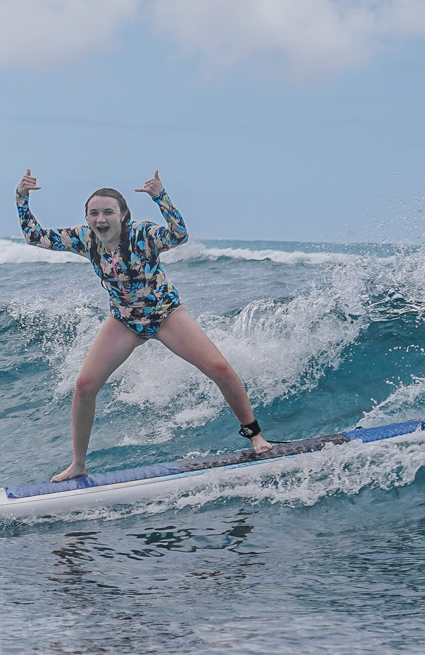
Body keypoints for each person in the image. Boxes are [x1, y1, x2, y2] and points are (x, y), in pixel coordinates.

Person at [17, 167, 270, 481]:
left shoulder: (142, 233)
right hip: (124, 321)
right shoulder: (85, 240)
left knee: (218, 368)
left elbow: (179, 235)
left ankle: (255, 434)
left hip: (165, 315)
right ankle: (79, 464)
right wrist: (22, 198)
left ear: (123, 215)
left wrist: (160, 197)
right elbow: (35, 237)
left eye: (108, 212)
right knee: (84, 387)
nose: (100, 219)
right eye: (93, 213)